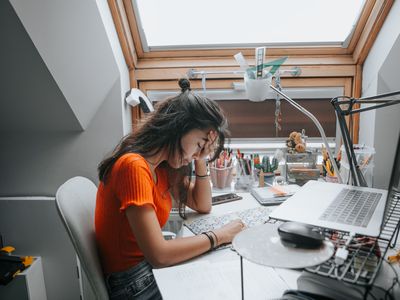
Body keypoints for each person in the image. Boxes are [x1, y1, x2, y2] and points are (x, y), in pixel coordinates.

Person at [95, 78, 245, 300]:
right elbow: (159, 255)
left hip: (145, 272)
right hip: (133, 284)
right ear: (178, 127)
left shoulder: (163, 167)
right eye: (199, 144)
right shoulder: (134, 167)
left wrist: (199, 157)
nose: (198, 152)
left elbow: (203, 205)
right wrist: (220, 236)